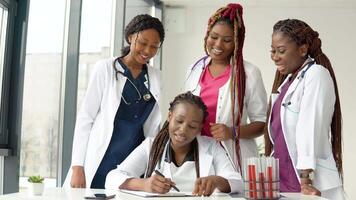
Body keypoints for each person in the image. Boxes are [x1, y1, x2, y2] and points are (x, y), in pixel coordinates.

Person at [64, 14, 165, 189]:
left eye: (154, 46)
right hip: (101, 159)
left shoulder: (156, 77)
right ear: (130, 37)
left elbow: (153, 127)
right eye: (143, 42)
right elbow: (85, 118)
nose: (148, 51)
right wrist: (77, 166)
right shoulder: (105, 68)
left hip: (132, 165)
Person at [105, 92, 243, 196]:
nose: (183, 130)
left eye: (192, 126)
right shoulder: (151, 145)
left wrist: (217, 181)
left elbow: (238, 183)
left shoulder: (212, 147)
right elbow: (112, 177)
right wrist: (144, 184)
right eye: (179, 121)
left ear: (200, 128)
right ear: (170, 116)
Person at [265, 19, 344, 199]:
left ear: (302, 50)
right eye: (273, 50)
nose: (275, 56)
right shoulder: (287, 83)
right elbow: (279, 136)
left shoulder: (316, 75)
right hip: (283, 181)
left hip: (305, 182)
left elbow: (310, 127)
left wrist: (306, 179)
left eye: (281, 51)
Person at [184, 3, 267, 169]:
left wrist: (232, 132)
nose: (218, 45)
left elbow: (262, 124)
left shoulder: (249, 73)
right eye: (213, 37)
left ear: (237, 42)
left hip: (232, 158)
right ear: (207, 35)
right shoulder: (194, 69)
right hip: (197, 154)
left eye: (227, 40)